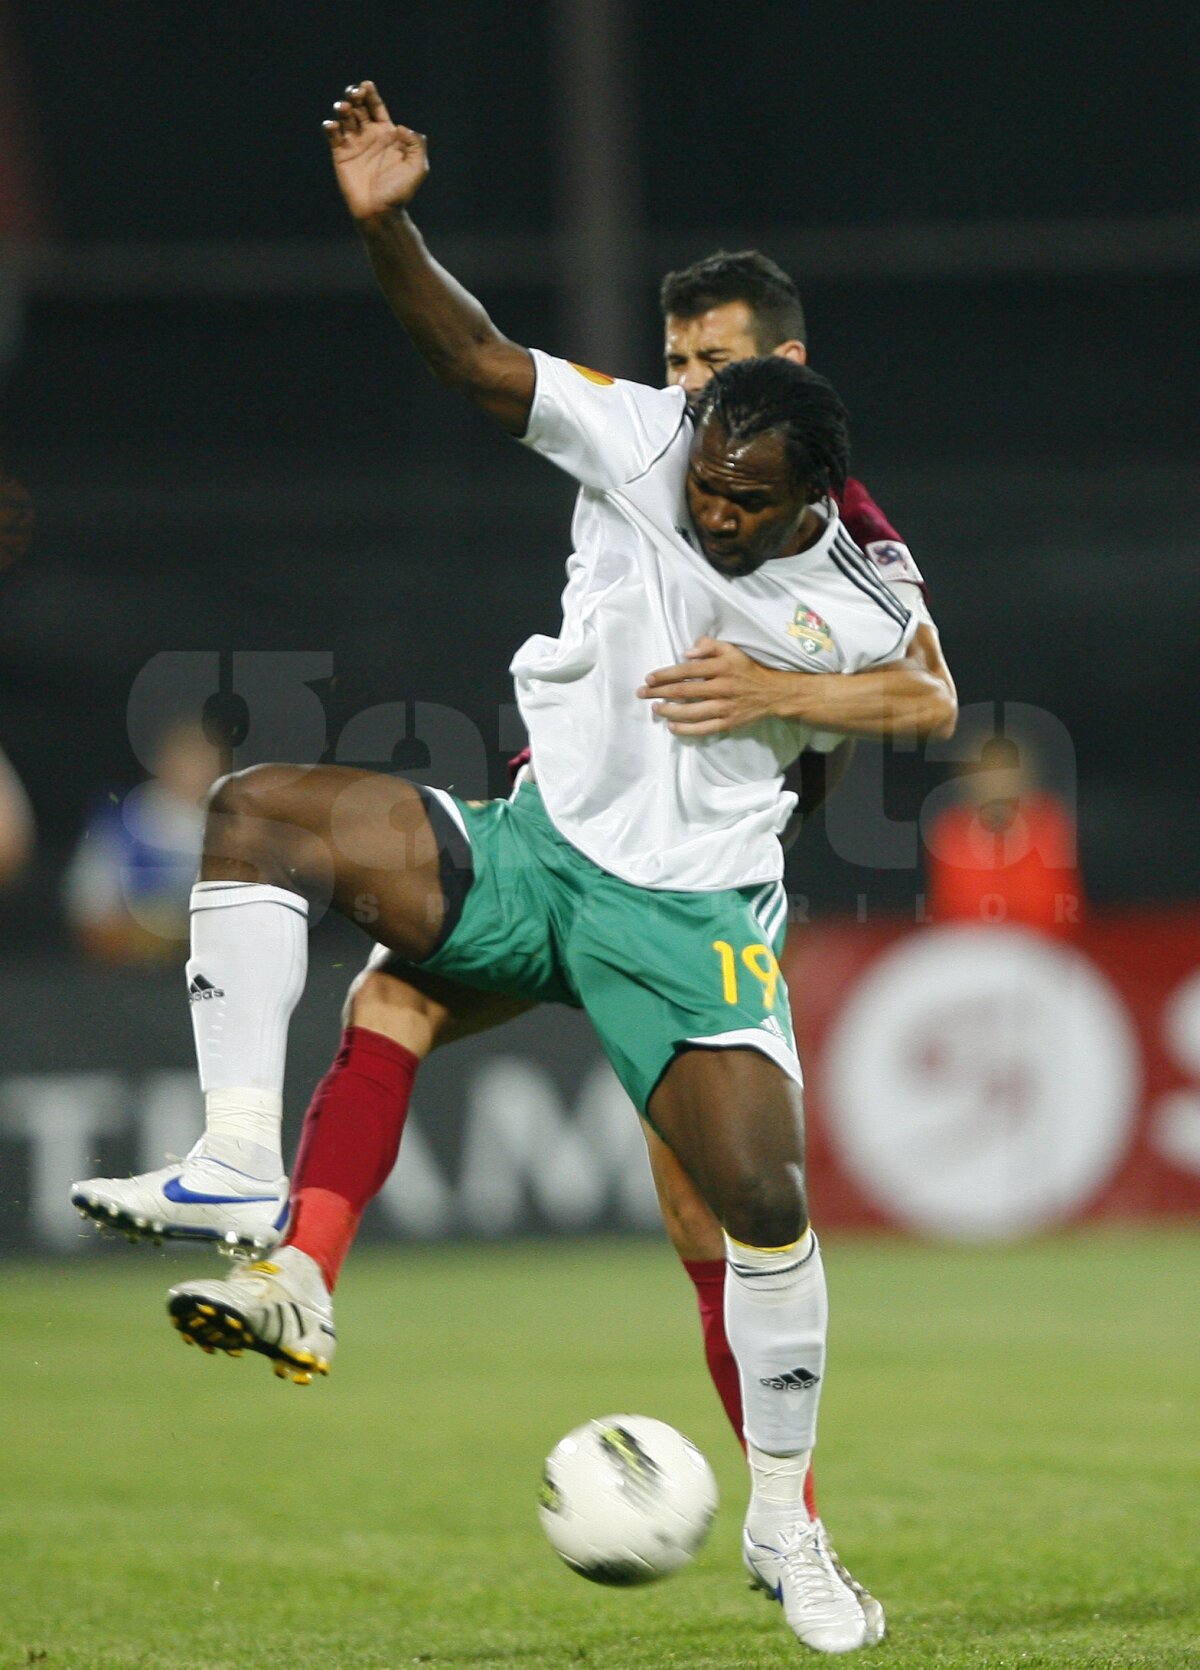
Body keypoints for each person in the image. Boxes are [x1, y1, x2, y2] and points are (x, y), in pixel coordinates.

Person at [93, 82, 958, 1651]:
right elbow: (479, 357)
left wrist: (782, 693)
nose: (702, 487)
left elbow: (930, 692)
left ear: (804, 490)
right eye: (689, 402)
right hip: (536, 842)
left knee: (755, 1205)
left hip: (687, 912)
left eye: (736, 488)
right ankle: (245, 1176)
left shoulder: (854, 566)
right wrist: (389, 229)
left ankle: (787, 1526)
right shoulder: (649, 432)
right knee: (265, 818)